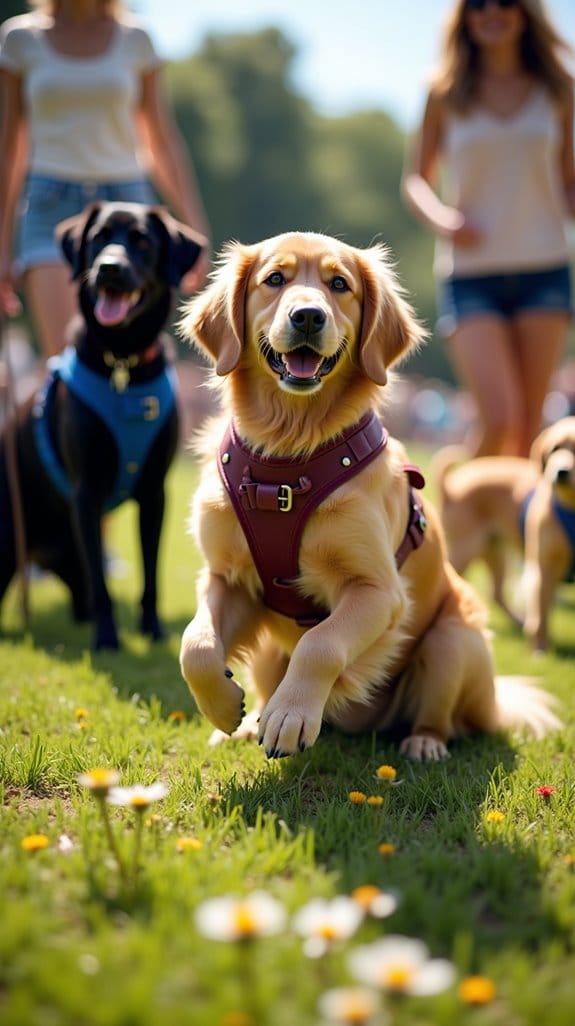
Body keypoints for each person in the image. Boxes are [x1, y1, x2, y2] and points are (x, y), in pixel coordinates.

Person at [402, 0, 575, 457]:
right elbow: (415, 179)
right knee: (500, 418)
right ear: (464, 17)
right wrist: (444, 219)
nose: (491, 13)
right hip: (471, 274)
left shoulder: (560, 89)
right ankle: (465, 514)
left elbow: (568, 182)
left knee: (530, 430)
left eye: (505, 3)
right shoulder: (445, 92)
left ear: (526, 13)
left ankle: (521, 529)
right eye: (478, 4)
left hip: (545, 269)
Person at [0, 0, 211, 360]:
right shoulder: (19, 39)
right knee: (66, 359)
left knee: (133, 352)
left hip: (131, 209)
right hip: (49, 206)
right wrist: (1, 244)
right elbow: (9, 149)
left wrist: (195, 224)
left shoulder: (137, 39)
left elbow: (161, 140)